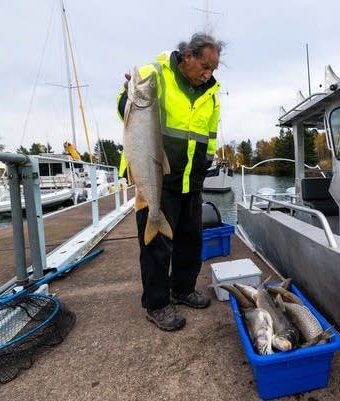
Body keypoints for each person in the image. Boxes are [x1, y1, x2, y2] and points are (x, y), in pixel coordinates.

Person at [117, 33, 224, 331]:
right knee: (156, 246)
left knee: (191, 239)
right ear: (188, 56)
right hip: (157, 177)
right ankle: (157, 303)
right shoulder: (155, 75)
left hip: (191, 179)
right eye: (205, 66)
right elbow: (123, 109)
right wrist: (127, 93)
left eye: (213, 69)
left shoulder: (211, 93)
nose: (209, 74)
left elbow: (210, 136)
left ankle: (183, 289)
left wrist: (204, 168)